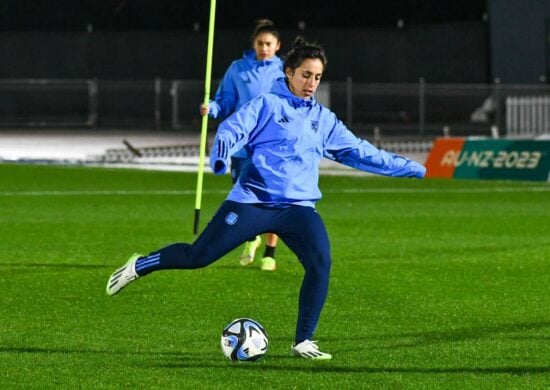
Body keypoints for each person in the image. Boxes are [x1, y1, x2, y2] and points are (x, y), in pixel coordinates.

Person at [106, 37, 426, 360]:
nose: (311, 83)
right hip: (252, 202)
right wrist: (221, 155)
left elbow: (361, 152)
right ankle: (140, 265)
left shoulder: (323, 120)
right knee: (198, 256)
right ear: (288, 72)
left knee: (320, 262)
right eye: (305, 75)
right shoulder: (267, 105)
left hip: (297, 209)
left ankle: (303, 341)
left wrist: (412, 168)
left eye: (317, 77)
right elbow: (232, 129)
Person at [200, 19, 284, 272]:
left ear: (278, 45)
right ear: (253, 44)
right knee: (244, 199)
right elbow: (225, 101)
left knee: (274, 200)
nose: (264, 48)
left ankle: (270, 253)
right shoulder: (238, 68)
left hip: (272, 146)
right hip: (241, 146)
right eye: (260, 43)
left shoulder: (285, 71)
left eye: (269, 43)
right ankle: (251, 237)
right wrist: (211, 108)